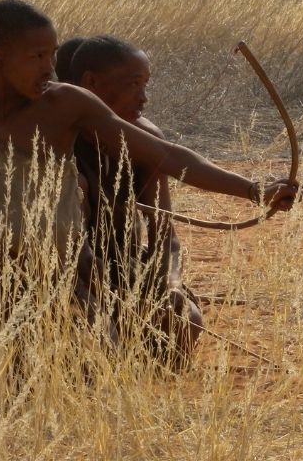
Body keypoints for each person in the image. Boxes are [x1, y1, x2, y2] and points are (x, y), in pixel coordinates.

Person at [0, 0, 303, 352]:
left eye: (52, 54)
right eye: (36, 57)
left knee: (99, 366)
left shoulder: (67, 105)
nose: (49, 67)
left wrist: (254, 190)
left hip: (60, 280)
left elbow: (167, 155)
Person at [64, 34, 201, 367]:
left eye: (146, 85)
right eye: (133, 85)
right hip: (71, 276)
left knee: (184, 321)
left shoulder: (147, 140)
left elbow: (164, 232)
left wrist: (169, 283)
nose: (144, 99)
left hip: (123, 265)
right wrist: (91, 291)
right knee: (91, 338)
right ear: (89, 84)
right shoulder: (56, 139)